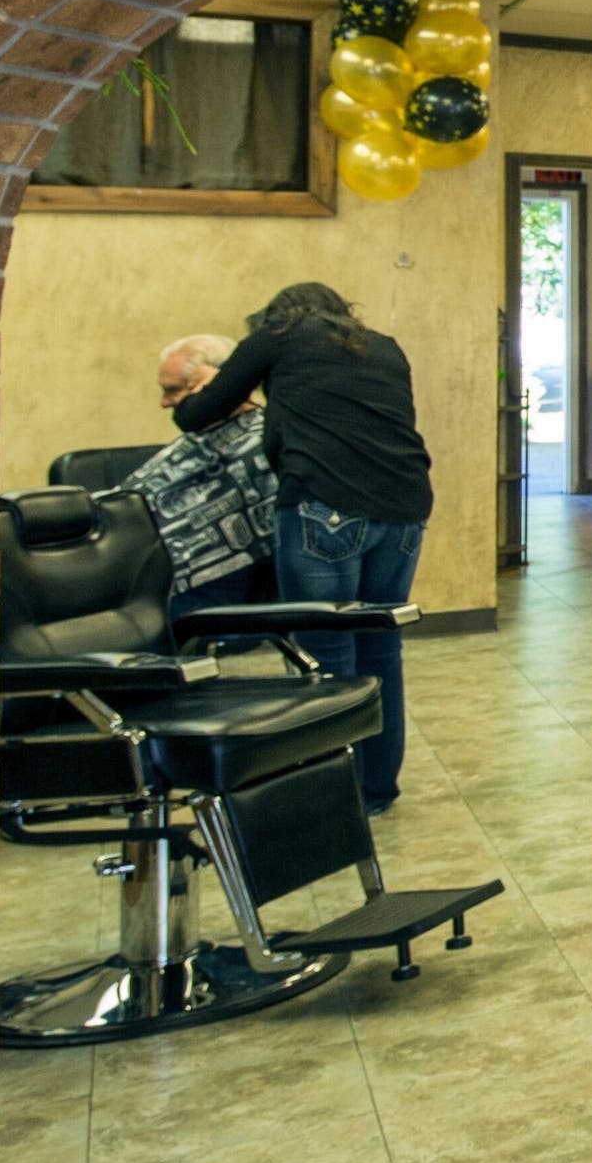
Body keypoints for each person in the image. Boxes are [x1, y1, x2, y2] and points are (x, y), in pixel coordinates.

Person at [172, 284, 433, 812]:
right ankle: (376, 790)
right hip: (405, 508)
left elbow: (196, 415)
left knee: (324, 650)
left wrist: (201, 388)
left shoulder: (279, 335)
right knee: (380, 646)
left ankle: (332, 793)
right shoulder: (383, 345)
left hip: (326, 505)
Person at [122, 334, 276, 618]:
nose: (164, 403)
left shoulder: (261, 439)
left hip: (202, 590)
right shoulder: (203, 435)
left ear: (218, 383)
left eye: (174, 390)